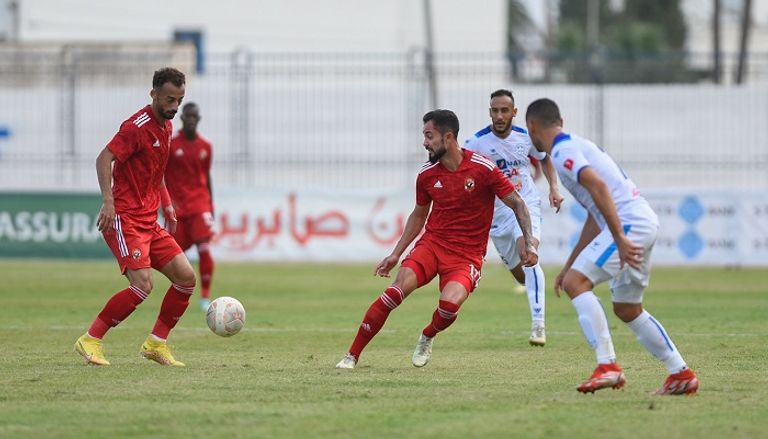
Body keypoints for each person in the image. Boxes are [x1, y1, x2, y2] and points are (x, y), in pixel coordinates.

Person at [336, 109, 538, 369]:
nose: (425, 142)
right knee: (394, 292)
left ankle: (428, 334)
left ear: (448, 137)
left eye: (429, 136)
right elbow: (419, 215)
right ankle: (351, 356)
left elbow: (518, 204)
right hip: (432, 246)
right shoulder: (427, 174)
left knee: (449, 306)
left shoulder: (483, 169)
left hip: (467, 256)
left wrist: (529, 243)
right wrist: (396, 254)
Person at [524, 98, 699, 395]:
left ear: (531, 127)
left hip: (629, 225)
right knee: (627, 308)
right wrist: (569, 265)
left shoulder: (563, 151)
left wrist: (618, 237)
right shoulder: (575, 145)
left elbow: (599, 187)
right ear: (560, 121)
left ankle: (607, 366)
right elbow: (596, 214)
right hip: (641, 221)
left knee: (576, 284)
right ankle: (680, 373)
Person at [74, 67, 195, 367]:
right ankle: (91, 339)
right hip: (125, 218)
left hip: (148, 221)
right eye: (169, 99)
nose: (175, 107)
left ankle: (156, 343)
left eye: (179, 100)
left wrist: (167, 205)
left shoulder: (166, 127)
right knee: (142, 285)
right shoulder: (136, 127)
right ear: (153, 94)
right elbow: (104, 158)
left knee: (185, 278)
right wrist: (108, 201)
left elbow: (157, 170)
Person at [464, 89, 563, 346]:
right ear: (490, 112)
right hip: (497, 215)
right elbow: (460, 171)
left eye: (504, 110)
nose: (499, 115)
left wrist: (553, 187)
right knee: (522, 276)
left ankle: (538, 325)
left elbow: (545, 158)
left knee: (528, 253)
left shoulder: (525, 137)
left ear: (514, 112)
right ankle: (534, 289)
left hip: (526, 204)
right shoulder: (476, 143)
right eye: (495, 110)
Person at [165, 102, 216, 311]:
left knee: (204, 248)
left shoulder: (206, 146)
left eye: (195, 116)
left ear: (199, 119)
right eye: (188, 116)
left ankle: (205, 297)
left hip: (200, 204)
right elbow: (160, 174)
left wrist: (211, 205)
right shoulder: (172, 144)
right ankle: (180, 291)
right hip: (178, 208)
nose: (192, 120)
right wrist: (164, 202)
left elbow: (206, 175)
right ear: (182, 118)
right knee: (172, 256)